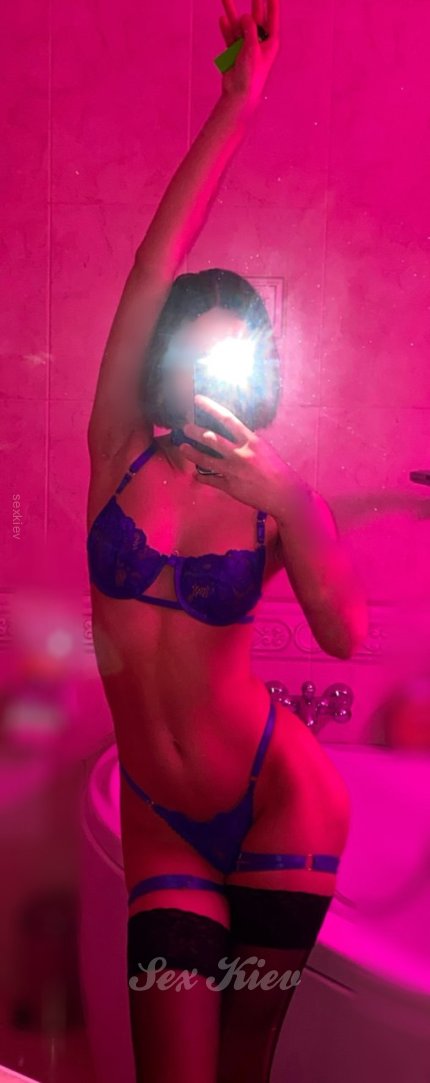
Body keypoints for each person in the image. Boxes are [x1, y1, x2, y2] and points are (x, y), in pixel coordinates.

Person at [86, 1, 368, 1081]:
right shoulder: (118, 449)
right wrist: (235, 105)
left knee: (244, 1061)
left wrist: (292, 500)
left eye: (231, 362)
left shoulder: (275, 497)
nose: (209, 385)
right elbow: (152, 264)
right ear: (161, 365)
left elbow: (343, 637)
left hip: (279, 802)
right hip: (161, 820)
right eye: (191, 359)